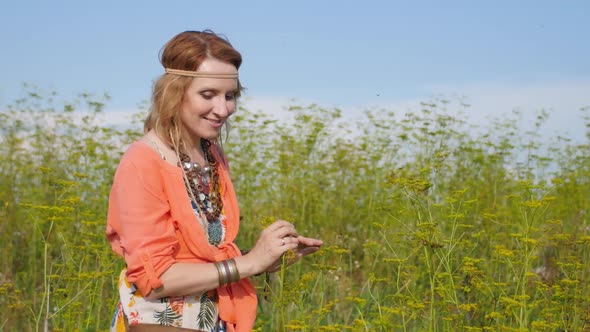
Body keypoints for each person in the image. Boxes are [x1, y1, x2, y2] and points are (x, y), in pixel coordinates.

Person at [106, 30, 323, 332]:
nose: (222, 109)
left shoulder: (211, 154)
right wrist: (248, 265)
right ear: (174, 92)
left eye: (230, 96)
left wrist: (267, 257)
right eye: (208, 95)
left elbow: (201, 260)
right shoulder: (142, 161)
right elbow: (154, 281)